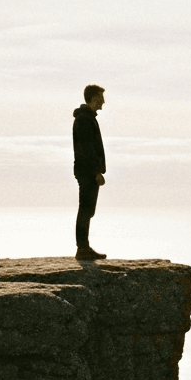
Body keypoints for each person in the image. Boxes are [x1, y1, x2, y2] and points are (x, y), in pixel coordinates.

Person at [72, 84, 108, 260]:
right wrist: (96, 172)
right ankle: (82, 248)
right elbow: (87, 149)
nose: (103, 102)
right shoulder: (85, 119)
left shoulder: (87, 118)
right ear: (94, 98)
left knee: (88, 210)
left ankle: (84, 247)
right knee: (86, 209)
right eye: (101, 98)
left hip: (85, 171)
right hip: (87, 172)